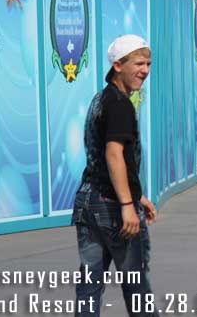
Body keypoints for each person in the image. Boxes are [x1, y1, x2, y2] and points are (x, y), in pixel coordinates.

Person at [72, 35, 158, 316]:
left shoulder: (102, 98)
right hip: (111, 206)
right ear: (118, 65)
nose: (145, 70)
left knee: (89, 284)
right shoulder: (120, 104)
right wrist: (126, 205)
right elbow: (112, 154)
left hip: (89, 200)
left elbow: (101, 158)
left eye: (148, 64)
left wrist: (137, 195)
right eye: (139, 63)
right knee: (136, 286)